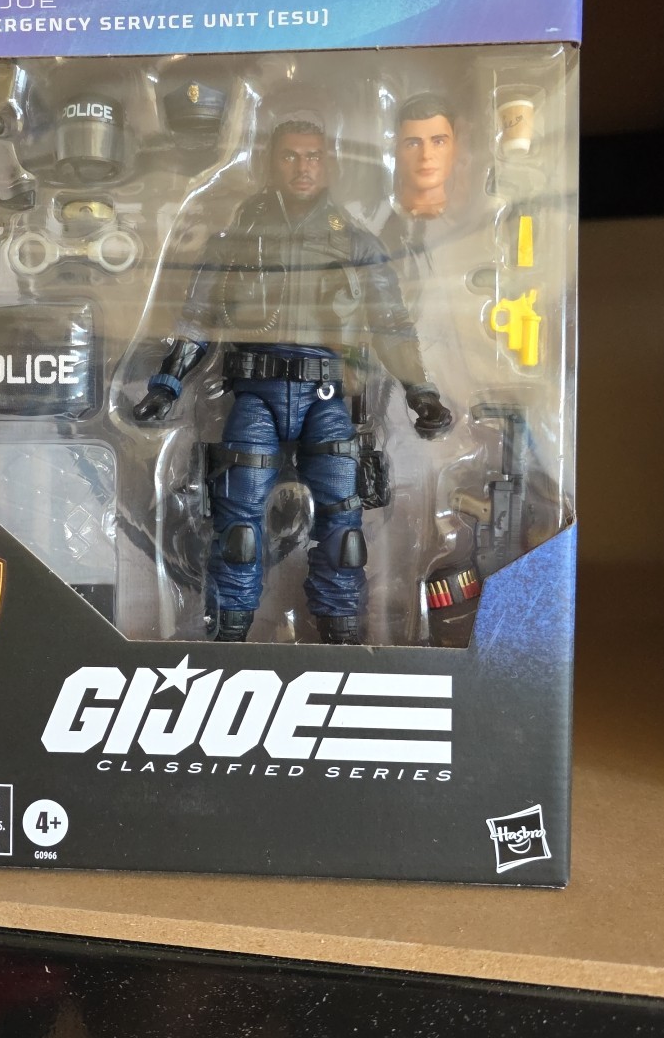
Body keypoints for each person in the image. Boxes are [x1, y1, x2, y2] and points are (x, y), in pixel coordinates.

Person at [134, 118, 452, 644]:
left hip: (328, 396)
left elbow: (392, 326)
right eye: (289, 156)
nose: (302, 167)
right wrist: (165, 385)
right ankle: (229, 633)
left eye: (312, 156)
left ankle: (341, 633)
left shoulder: (356, 243)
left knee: (344, 524)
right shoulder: (236, 242)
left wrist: (422, 393)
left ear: (328, 163)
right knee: (238, 526)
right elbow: (196, 320)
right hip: (254, 396)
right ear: (270, 163)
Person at [394, 93, 457, 218]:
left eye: (438, 142)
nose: (426, 155)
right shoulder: (371, 221)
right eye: (413, 144)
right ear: (396, 151)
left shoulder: (472, 218)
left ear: (454, 148)